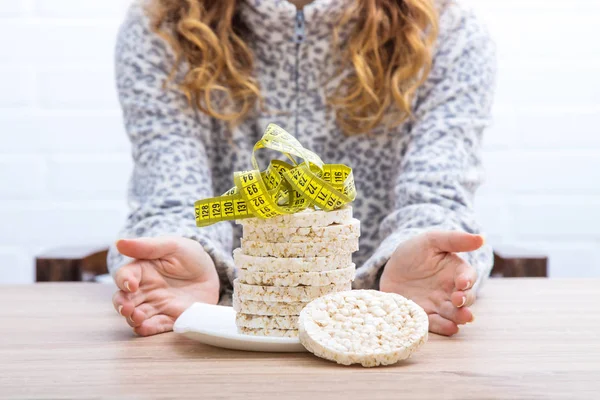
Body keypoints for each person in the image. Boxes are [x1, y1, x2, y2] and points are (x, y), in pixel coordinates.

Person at [109, 0, 496, 337]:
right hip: (225, 324)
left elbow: (438, 195)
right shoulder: (162, 25)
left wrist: (417, 258)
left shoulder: (449, 30)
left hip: (376, 319)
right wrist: (182, 255)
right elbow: (169, 194)